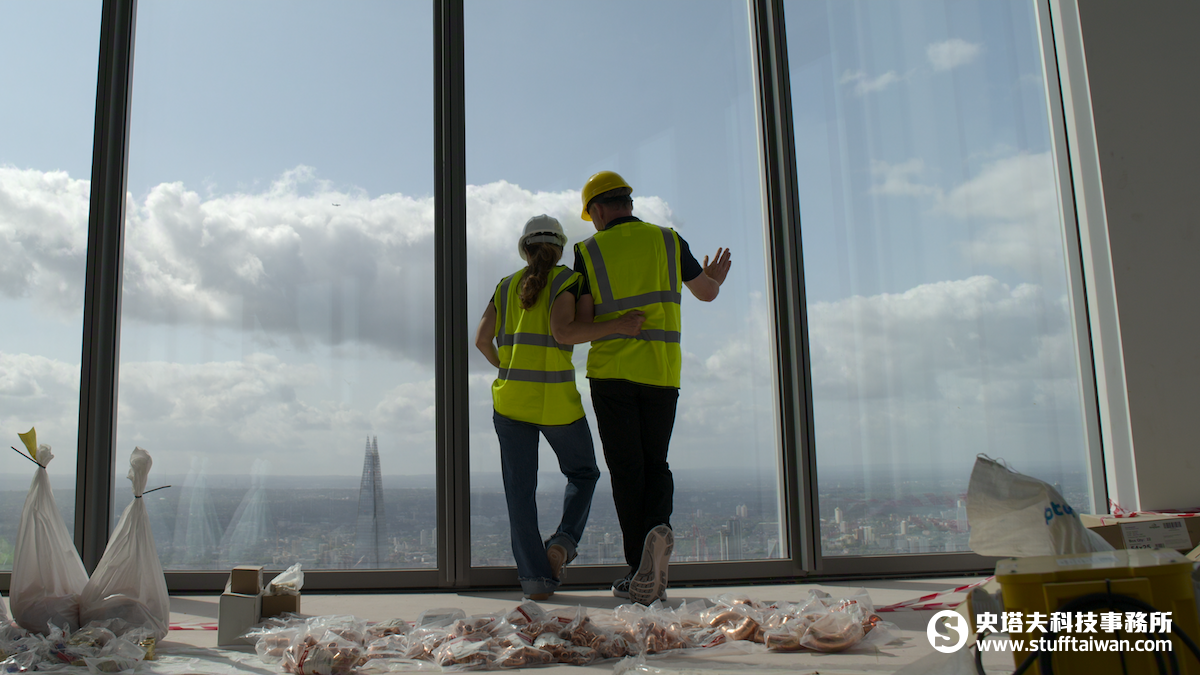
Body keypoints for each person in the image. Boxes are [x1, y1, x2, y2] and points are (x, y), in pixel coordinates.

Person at [572, 171, 731, 605]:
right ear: (628, 201)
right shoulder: (668, 240)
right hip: (662, 374)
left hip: (611, 374)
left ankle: (637, 569)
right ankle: (658, 529)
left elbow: (586, 322)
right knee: (655, 462)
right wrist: (714, 277)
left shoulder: (588, 250)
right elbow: (706, 294)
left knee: (627, 471)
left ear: (599, 210)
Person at [475, 214, 645, 600]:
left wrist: (508, 365)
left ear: (526, 247)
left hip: (511, 401)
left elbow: (482, 340)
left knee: (519, 491)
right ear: (560, 246)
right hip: (556, 404)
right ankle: (563, 543)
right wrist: (619, 325)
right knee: (583, 474)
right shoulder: (568, 279)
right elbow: (566, 332)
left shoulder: (505, 287)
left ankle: (536, 581)